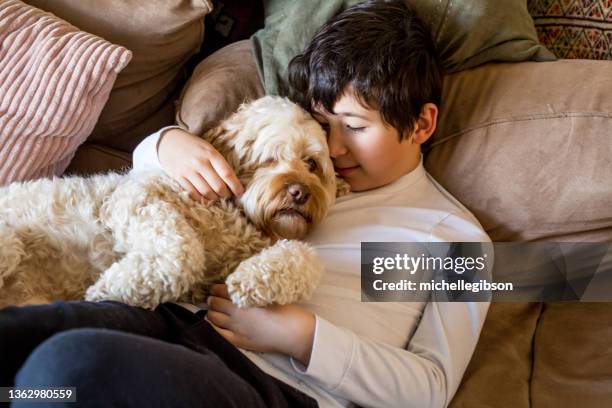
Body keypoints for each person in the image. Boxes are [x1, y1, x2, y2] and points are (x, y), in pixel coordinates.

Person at [0, 1, 490, 407]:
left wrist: (306, 337)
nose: (335, 149)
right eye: (325, 124)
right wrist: (164, 143)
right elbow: (176, 191)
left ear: (423, 124)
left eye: (356, 128)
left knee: (64, 367)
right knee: (27, 333)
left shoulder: (455, 241)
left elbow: (431, 389)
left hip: (276, 387)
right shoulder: (301, 167)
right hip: (174, 317)